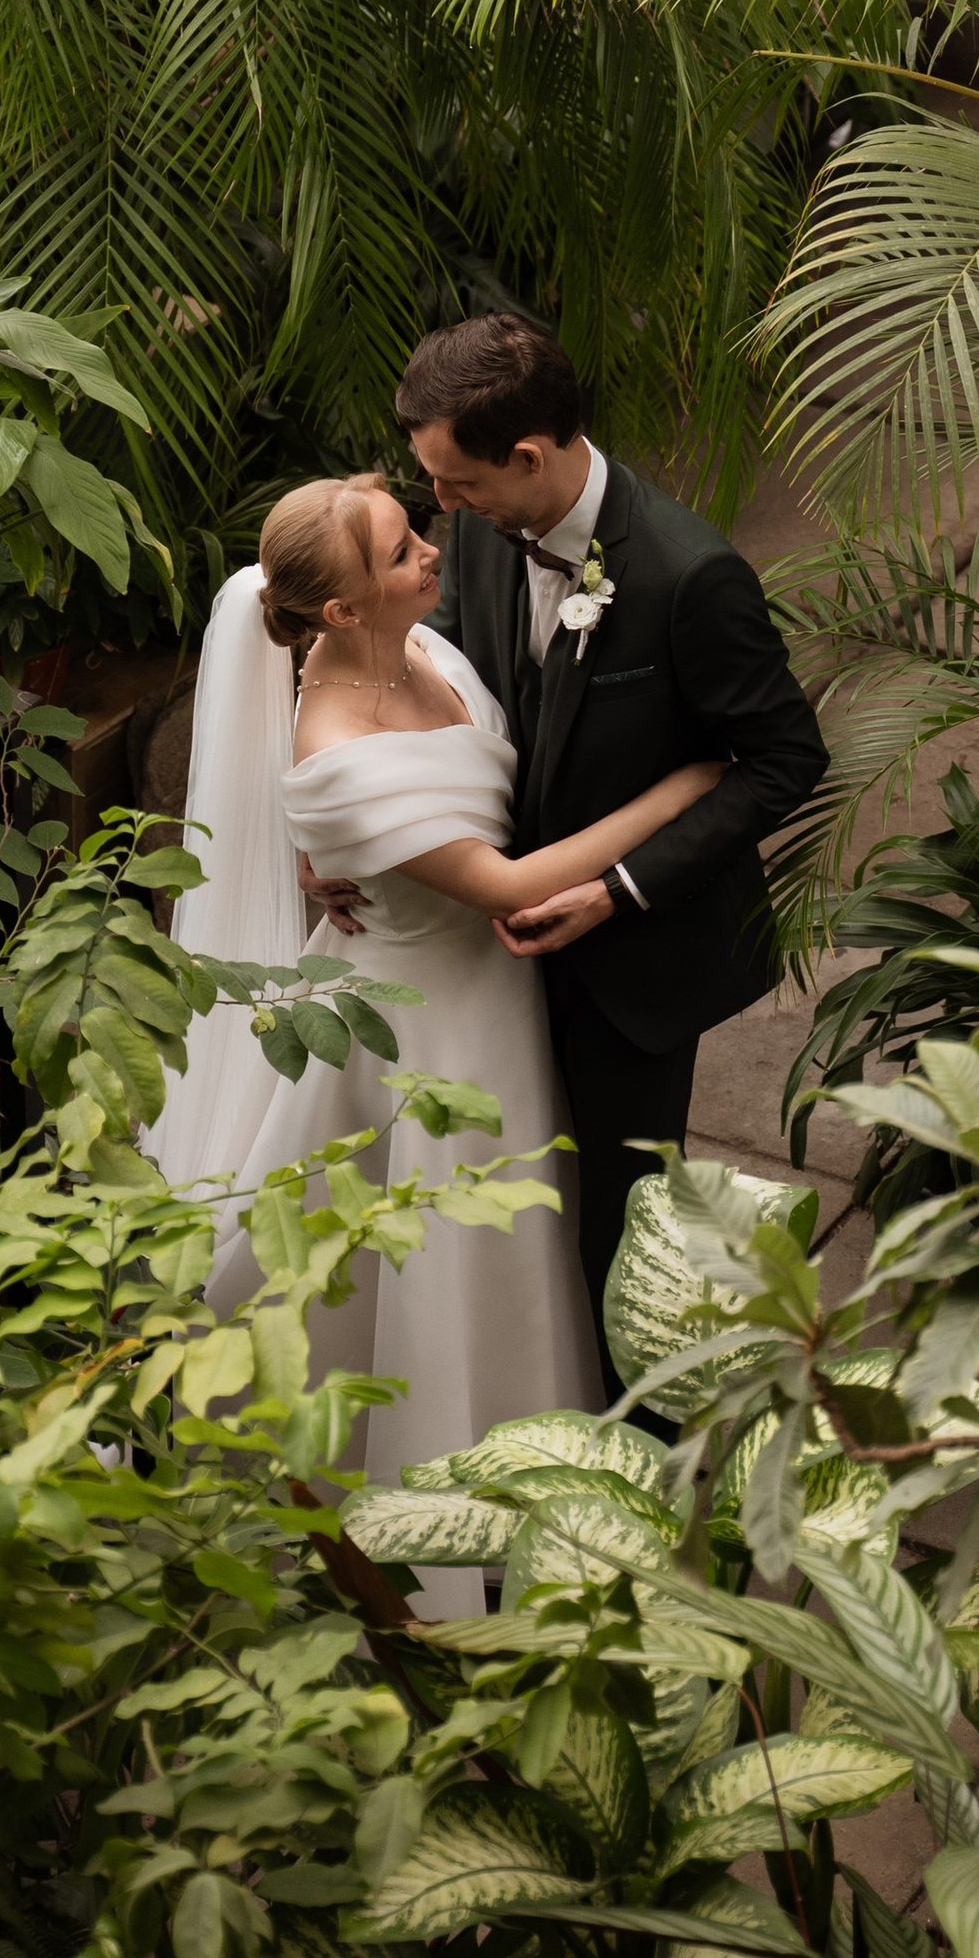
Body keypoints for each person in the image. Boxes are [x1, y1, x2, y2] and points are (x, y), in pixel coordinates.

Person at [151, 474, 725, 1578]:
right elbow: (508, 886)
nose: (433, 549)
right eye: (401, 548)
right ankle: (444, 1520)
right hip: (424, 1034)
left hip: (492, 1005)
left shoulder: (417, 648)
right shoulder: (335, 750)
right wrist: (682, 790)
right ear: (341, 612)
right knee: (448, 1262)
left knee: (514, 1244)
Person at [367, 318, 829, 1395]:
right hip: (482, 946)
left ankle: (646, 1458)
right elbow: (447, 692)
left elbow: (782, 757)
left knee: (624, 1238)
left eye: (455, 478)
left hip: (632, 964)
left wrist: (618, 888)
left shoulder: (689, 575)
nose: (440, 507)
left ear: (528, 456)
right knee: (508, 1201)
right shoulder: (480, 531)